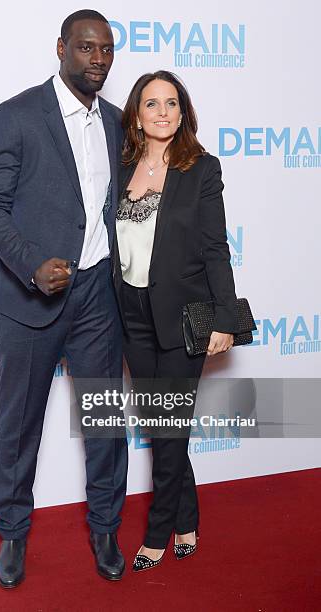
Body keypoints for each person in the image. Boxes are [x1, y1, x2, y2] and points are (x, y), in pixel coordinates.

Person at [0, 10, 128, 587]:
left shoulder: (117, 123)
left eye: (107, 49)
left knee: (105, 421)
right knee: (20, 426)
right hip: (28, 296)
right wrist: (31, 265)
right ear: (61, 47)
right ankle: (12, 535)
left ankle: (106, 529)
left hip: (97, 294)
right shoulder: (15, 116)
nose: (98, 59)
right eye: (87, 47)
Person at [113, 70, 238, 571]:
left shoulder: (202, 169)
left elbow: (215, 249)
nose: (162, 112)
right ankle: (188, 518)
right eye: (151, 104)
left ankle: (158, 531)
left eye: (171, 103)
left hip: (186, 318)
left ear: (182, 112)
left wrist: (224, 318)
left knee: (169, 428)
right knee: (161, 426)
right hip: (131, 316)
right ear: (137, 116)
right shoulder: (120, 167)